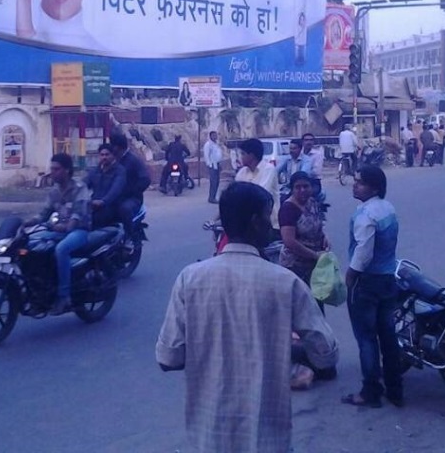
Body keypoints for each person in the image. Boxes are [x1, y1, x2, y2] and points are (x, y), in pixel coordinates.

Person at [156, 181, 338, 453]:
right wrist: (287, 346)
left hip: (209, 435)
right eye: (268, 216)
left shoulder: (190, 279)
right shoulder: (284, 283)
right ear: (255, 222)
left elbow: (168, 358)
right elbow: (326, 354)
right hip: (267, 436)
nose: (271, 224)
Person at [342, 164, 402, 409]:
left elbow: (363, 253)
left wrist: (351, 276)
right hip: (388, 279)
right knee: (388, 336)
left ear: (374, 187)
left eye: (361, 182)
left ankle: (370, 392)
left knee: (366, 338)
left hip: (367, 282)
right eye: (356, 181)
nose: (355, 185)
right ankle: (395, 389)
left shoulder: (366, 215)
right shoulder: (388, 209)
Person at [28, 154, 91, 316]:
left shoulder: (79, 188)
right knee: (32, 244)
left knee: (61, 250)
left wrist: (63, 227)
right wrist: (24, 224)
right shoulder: (54, 192)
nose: (52, 172)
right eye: (52, 169)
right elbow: (43, 214)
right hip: (58, 230)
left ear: (67, 170)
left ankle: (64, 297)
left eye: (56, 169)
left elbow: (76, 217)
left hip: (80, 231)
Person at [278, 171, 330, 292]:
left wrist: (325, 238)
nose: (302, 190)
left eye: (306, 186)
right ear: (292, 189)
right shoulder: (288, 209)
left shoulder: (312, 202)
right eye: (298, 187)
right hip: (295, 266)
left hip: (314, 264)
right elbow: (289, 241)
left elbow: (318, 223)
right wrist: (314, 255)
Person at [108, 132, 151, 233]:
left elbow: (145, 180)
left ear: (118, 147)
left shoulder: (134, 160)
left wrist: (131, 191)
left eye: (112, 145)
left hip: (132, 199)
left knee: (124, 209)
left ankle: (130, 236)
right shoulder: (111, 160)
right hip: (113, 197)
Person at [87, 144, 127, 228]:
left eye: (107, 154)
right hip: (94, 205)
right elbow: (83, 184)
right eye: (102, 155)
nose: (104, 157)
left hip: (111, 205)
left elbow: (115, 189)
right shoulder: (95, 171)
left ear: (113, 156)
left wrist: (104, 201)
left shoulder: (120, 171)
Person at [234, 138, 279, 203]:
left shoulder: (269, 169)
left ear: (252, 156)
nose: (240, 157)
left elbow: (260, 194)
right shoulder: (242, 172)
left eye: (243, 154)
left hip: (266, 211)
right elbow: (235, 193)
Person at [202, 131, 223, 204]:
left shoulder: (216, 144)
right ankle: (211, 198)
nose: (215, 137)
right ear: (210, 136)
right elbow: (206, 156)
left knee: (217, 182)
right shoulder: (208, 145)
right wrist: (209, 165)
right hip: (212, 165)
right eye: (214, 135)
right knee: (213, 182)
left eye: (216, 135)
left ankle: (213, 196)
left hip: (217, 164)